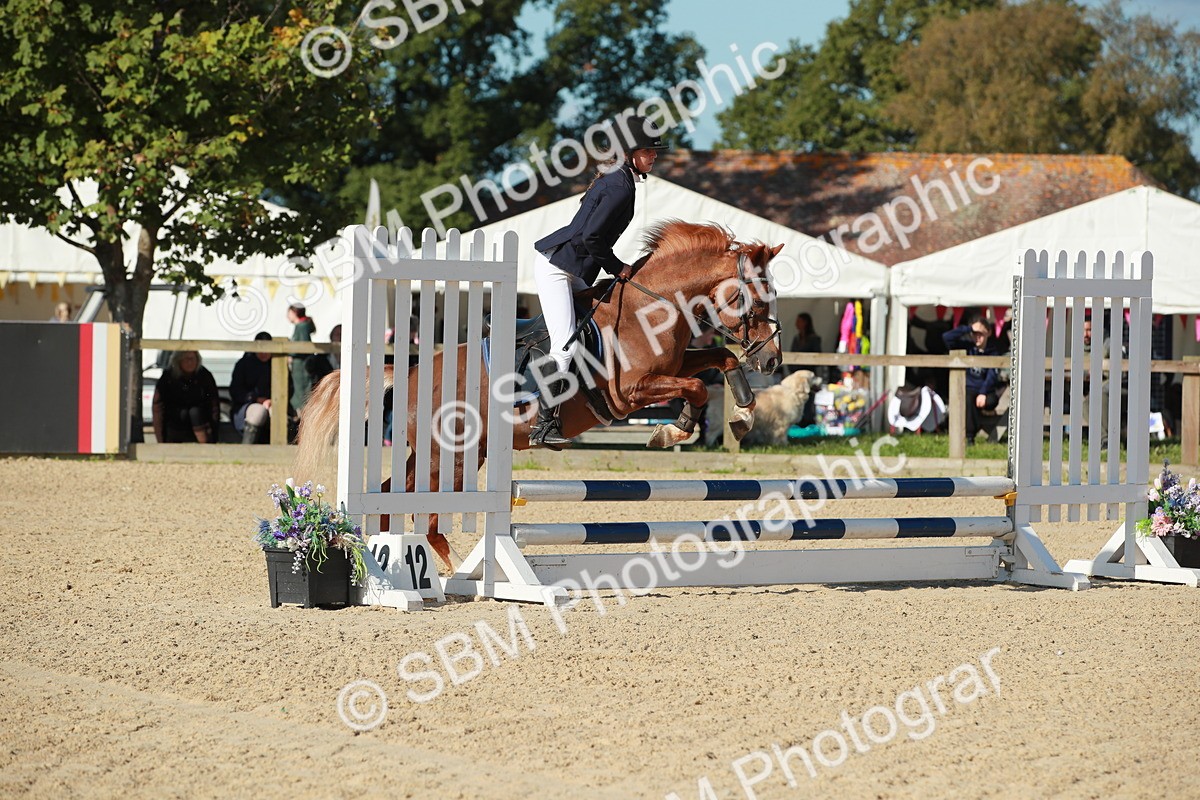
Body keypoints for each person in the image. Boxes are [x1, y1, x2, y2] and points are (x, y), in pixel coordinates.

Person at [529, 115, 669, 446]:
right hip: (557, 269)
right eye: (649, 151)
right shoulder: (619, 186)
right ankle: (542, 424)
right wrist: (617, 266)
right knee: (565, 346)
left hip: (574, 269)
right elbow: (592, 237)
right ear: (631, 152)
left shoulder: (619, 180)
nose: (654, 156)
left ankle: (586, 396)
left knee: (600, 328)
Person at [943, 315, 1001, 443]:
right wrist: (967, 328)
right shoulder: (967, 347)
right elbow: (946, 338)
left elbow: (992, 376)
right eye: (974, 333)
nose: (977, 337)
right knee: (968, 399)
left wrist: (983, 392)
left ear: (988, 333)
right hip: (969, 390)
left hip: (986, 392)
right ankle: (969, 437)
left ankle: (977, 433)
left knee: (989, 400)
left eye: (981, 333)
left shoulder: (993, 352)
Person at [152, 350, 219, 443]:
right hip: (175, 424)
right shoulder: (168, 376)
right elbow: (158, 406)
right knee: (182, 413)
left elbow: (213, 404)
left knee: (195, 412)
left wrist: (215, 434)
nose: (190, 362)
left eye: (192, 359)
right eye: (186, 359)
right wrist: (160, 439)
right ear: (178, 360)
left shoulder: (204, 375)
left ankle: (206, 446)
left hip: (200, 422)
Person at [229, 331, 277, 445]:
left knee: (277, 414)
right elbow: (236, 390)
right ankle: (247, 451)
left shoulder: (277, 364)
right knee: (258, 413)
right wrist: (256, 399)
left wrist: (273, 400)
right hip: (246, 405)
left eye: (268, 349)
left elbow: (289, 389)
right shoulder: (243, 364)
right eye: (261, 348)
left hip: (273, 403)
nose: (264, 353)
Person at [287, 303, 317, 413]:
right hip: (300, 365)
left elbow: (303, 346)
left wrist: (290, 353)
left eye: (289, 313)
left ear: (294, 313)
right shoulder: (302, 326)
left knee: (302, 393)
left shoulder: (302, 326)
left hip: (302, 366)